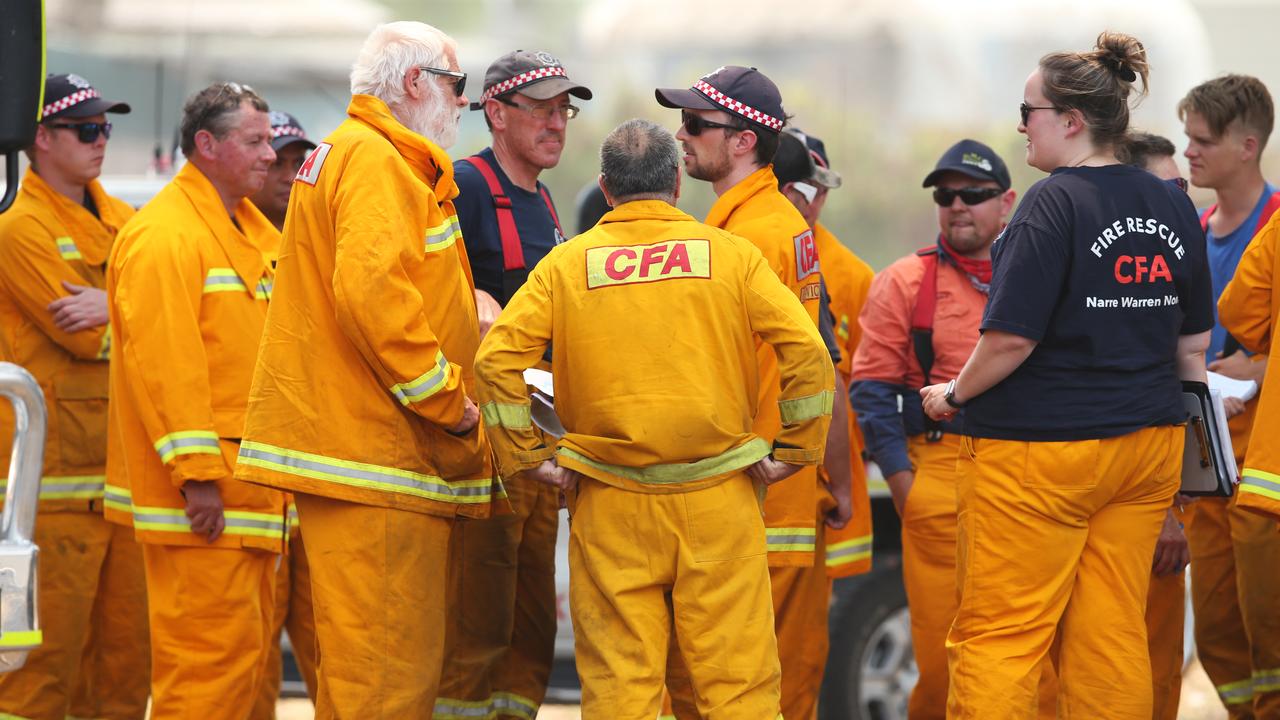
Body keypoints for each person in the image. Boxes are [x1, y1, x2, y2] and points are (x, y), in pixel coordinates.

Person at [473, 118, 835, 720]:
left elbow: (495, 364)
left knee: (621, 688)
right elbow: (808, 354)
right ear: (674, 181)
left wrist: (528, 458)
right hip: (719, 500)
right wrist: (794, 451)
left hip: (610, 504)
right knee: (738, 688)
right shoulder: (731, 256)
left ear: (606, 188)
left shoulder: (567, 266)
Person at [921, 33, 1214, 719]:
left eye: (1029, 113)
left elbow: (1012, 338)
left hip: (1040, 456)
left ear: (1072, 121)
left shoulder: (1054, 203)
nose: (1021, 127)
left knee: (1002, 638)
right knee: (1110, 633)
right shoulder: (1172, 203)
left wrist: (952, 394)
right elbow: (1193, 345)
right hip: (1146, 449)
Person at [234, 22, 502, 718]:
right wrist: (450, 400)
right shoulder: (379, 161)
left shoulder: (363, 156)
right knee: (388, 684)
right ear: (413, 84)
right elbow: (374, 295)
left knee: (366, 681)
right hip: (381, 460)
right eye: (455, 85)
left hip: (371, 461)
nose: (462, 103)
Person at [654, 65, 850, 720]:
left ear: (743, 141)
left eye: (697, 125)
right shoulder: (765, 221)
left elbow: (764, 365)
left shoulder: (751, 234)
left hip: (754, 497)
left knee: (734, 691)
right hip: (771, 492)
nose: (682, 136)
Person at [851, 139, 1053, 719]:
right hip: (937, 476)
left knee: (1037, 666)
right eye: (946, 195)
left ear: (1007, 201)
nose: (957, 205)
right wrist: (904, 484)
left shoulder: (1043, 272)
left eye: (974, 194)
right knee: (940, 667)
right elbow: (871, 390)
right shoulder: (903, 282)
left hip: (1030, 479)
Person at [106, 81, 287, 719]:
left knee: (243, 676)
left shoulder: (248, 233)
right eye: (256, 141)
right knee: (206, 683)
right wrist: (198, 478)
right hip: (207, 508)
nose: (270, 155)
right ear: (206, 145)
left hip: (248, 500)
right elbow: (166, 368)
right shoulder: (164, 237)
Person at [435, 49, 591, 720]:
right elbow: (422, 285)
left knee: (530, 627)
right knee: (478, 619)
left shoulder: (543, 199)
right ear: (495, 112)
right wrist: (466, 292)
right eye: (543, 109)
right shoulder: (464, 186)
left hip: (536, 443)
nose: (557, 123)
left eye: (566, 110)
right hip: (486, 450)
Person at [0, 72, 149, 720]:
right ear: (41, 139)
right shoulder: (16, 226)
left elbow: (169, 317)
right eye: (87, 130)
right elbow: (82, 339)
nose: (102, 142)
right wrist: (144, 314)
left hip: (123, 480)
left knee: (124, 669)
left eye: (107, 129)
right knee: (40, 672)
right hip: (50, 491)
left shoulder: (129, 219)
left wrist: (114, 306)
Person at [1177, 74, 1280, 719]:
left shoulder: (1275, 224)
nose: (1189, 152)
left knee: (1267, 617)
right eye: (1185, 137)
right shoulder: (1190, 229)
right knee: (1217, 625)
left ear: (1248, 146)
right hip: (1202, 447)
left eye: (1202, 140)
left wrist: (1258, 370)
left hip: (1262, 453)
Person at [1117, 130, 1196, 720]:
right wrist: (1166, 510)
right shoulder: (1116, 288)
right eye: (1170, 188)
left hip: (1152, 497)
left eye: (1185, 188)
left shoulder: (1164, 270)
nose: (1182, 201)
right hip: (1136, 506)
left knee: (1158, 670)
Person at [773, 130, 875, 583]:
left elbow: (862, 385)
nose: (807, 203)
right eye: (796, 189)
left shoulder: (853, 277)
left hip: (826, 488)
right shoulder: (737, 246)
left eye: (814, 191)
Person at [245, 109, 319, 716]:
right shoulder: (230, 244)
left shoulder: (319, 248)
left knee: (334, 652)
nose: (289, 173)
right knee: (250, 654)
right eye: (281, 159)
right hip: (256, 488)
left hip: (314, 485)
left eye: (302, 163)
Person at [249, 111, 316, 231]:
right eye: (276, 164)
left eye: (298, 163)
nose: (291, 178)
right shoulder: (224, 231)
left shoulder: (324, 235)